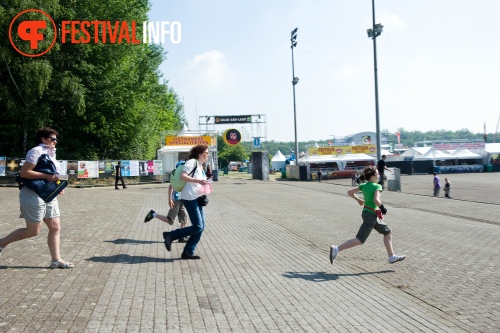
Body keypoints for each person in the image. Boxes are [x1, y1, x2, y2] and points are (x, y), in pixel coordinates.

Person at [0, 127, 74, 269]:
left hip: (48, 195)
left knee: (55, 227)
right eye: (52, 139)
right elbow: (24, 173)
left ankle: (56, 260)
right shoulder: (36, 151)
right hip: (33, 193)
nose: (55, 142)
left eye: (56, 139)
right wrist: (46, 176)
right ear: (43, 139)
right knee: (33, 231)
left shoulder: (51, 154)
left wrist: (58, 187)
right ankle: (1, 243)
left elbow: (51, 174)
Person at [329, 166, 405, 265]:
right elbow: (376, 201)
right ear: (373, 176)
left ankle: (391, 256)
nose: (378, 175)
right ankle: (336, 249)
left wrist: (359, 200)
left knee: (387, 232)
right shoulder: (377, 186)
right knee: (360, 240)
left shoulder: (364, 185)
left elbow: (350, 192)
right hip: (371, 216)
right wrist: (383, 208)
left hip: (368, 214)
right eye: (377, 173)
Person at [163, 145, 210, 259]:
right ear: (200, 154)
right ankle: (171, 235)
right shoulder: (191, 162)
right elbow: (183, 176)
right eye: (206, 153)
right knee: (198, 226)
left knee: (201, 227)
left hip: (198, 198)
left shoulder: (200, 166)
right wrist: (199, 180)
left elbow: (196, 183)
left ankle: (188, 252)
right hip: (189, 198)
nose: (208, 155)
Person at [144, 163, 189, 242]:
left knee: (184, 218)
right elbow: (170, 187)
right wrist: (170, 199)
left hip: (181, 200)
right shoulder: (176, 177)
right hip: (176, 200)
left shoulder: (183, 175)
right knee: (170, 220)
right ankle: (153, 214)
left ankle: (182, 237)